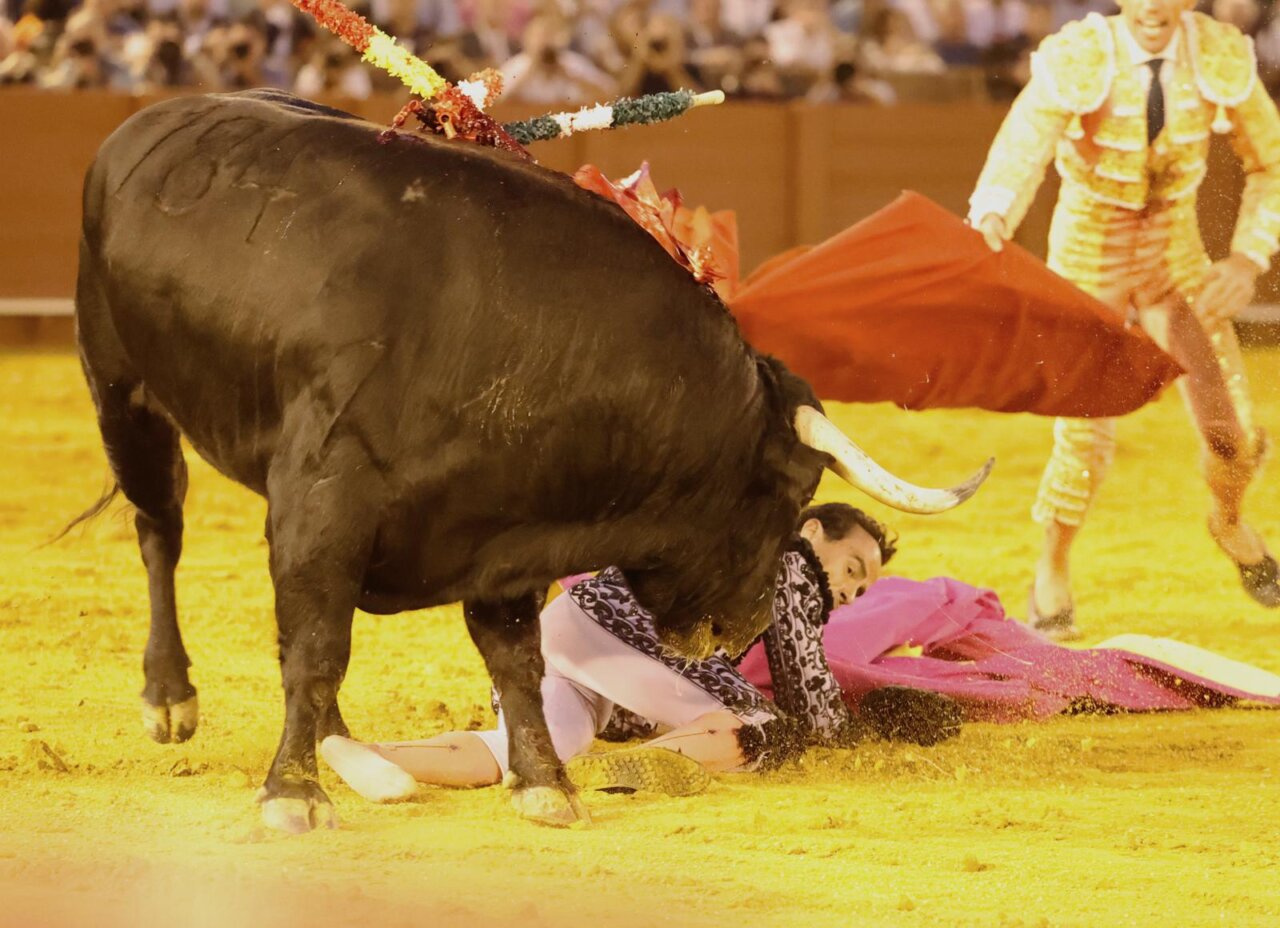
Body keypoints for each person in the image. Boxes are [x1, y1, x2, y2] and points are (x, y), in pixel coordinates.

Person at [967, 0, 1280, 638]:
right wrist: (996, 214)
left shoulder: (1216, 53)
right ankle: (1052, 565)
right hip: (1089, 255)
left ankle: (1226, 519)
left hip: (1175, 256)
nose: (1153, 6)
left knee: (1230, 429)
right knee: (1084, 435)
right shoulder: (1081, 54)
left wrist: (1248, 260)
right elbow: (1022, 145)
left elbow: (1272, 163)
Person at [320, 504, 963, 803]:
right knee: (768, 730)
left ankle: (362, 754)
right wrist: (872, 725)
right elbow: (807, 699)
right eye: (851, 566)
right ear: (813, 530)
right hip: (627, 650)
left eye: (860, 587)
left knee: (532, 746)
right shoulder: (788, 557)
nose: (847, 590)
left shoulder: (730, 536)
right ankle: (639, 769)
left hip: (565, 633)